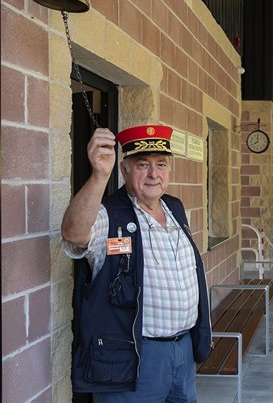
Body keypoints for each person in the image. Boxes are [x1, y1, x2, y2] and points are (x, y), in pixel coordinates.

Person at [60, 126, 212, 401]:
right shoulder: (109, 214)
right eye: (143, 165)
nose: (154, 174)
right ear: (124, 169)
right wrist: (99, 176)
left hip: (183, 350)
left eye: (161, 164)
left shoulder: (174, 207)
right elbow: (74, 234)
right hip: (134, 356)